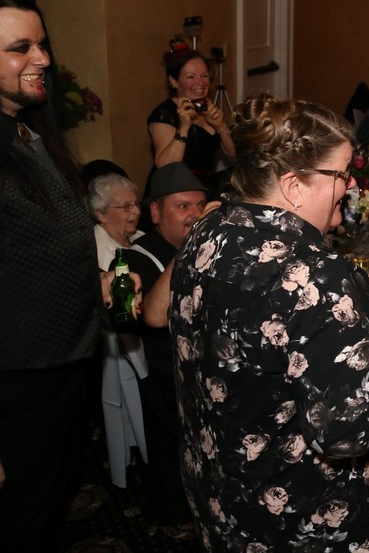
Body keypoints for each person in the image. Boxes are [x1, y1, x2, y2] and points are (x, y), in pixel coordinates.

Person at [166, 95, 369, 550]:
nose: (352, 185)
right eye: (341, 174)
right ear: (294, 186)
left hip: (219, 491)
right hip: (302, 516)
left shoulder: (205, 229)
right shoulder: (321, 277)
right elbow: (347, 433)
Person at [0, 0, 138, 548]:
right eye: (20, 48)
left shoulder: (28, 133)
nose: (42, 59)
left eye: (42, 44)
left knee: (47, 508)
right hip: (17, 380)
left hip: (64, 365)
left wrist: (96, 281)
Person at [119, 162, 208, 538]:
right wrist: (192, 246)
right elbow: (150, 318)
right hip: (165, 380)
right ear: (155, 213)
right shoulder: (133, 257)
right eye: (183, 206)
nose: (195, 215)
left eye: (200, 206)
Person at [87, 173, 149, 491]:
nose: (135, 211)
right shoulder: (95, 252)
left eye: (136, 204)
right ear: (100, 214)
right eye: (125, 207)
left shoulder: (140, 238)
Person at [147, 45, 235, 195]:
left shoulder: (207, 108)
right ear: (173, 81)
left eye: (204, 75)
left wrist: (221, 127)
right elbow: (166, 167)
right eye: (190, 77)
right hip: (175, 192)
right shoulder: (164, 114)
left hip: (206, 188)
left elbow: (234, 153)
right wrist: (184, 127)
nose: (200, 83)